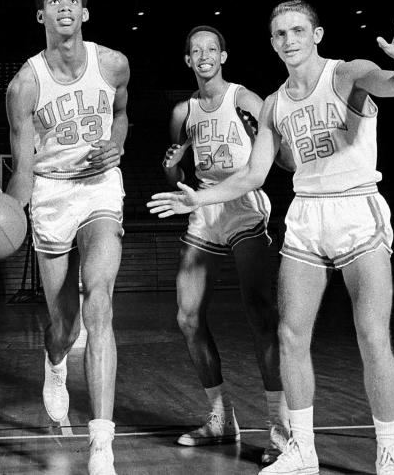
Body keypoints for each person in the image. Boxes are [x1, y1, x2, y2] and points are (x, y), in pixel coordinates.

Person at [150, 3, 394, 475]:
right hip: (306, 212)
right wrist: (198, 201)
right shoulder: (274, 105)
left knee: (371, 335)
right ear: (272, 43)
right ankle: (301, 450)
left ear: (317, 33)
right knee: (288, 333)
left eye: (298, 30)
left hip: (355, 205)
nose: (289, 39)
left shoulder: (347, 73)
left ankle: (389, 452)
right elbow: (252, 174)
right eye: (280, 33)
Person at [5, 0, 130, 475]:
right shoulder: (25, 83)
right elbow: (23, 166)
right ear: (41, 16)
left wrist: (117, 140)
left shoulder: (113, 63)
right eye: (53, 2)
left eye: (72, 1)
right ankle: (55, 364)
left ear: (84, 13)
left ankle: (103, 441)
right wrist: (6, 217)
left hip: (101, 187)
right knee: (64, 324)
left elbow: (122, 114)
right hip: (51, 191)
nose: (63, 8)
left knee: (99, 298)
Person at [161, 26, 287, 463]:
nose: (203, 56)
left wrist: (260, 137)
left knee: (259, 312)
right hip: (204, 207)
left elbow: (280, 156)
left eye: (210, 49)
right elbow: (177, 179)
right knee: (188, 315)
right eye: (195, 51)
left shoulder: (245, 98)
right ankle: (220, 417)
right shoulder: (184, 112)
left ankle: (280, 429)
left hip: (244, 205)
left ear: (223, 55)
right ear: (188, 60)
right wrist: (173, 169)